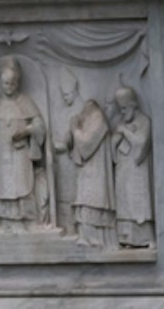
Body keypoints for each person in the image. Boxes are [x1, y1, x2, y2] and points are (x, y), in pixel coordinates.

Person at [0, 58, 46, 225]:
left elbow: (39, 125)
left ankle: (24, 223)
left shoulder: (26, 102)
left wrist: (26, 131)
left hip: (20, 153)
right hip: (1, 154)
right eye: (6, 83)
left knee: (21, 186)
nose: (9, 87)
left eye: (12, 83)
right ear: (0, 82)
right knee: (2, 187)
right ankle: (5, 224)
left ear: (18, 82)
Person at [64, 91, 115, 241]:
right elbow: (76, 145)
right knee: (85, 205)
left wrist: (75, 129)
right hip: (87, 173)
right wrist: (70, 135)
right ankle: (86, 238)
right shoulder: (88, 119)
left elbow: (86, 147)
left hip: (96, 173)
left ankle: (95, 240)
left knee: (92, 205)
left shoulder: (98, 119)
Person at [109, 84, 154, 244]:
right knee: (124, 204)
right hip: (123, 169)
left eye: (124, 109)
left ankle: (147, 239)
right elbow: (112, 147)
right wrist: (115, 141)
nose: (122, 112)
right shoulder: (121, 122)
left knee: (138, 204)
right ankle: (128, 240)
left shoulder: (144, 121)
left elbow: (142, 142)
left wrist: (126, 132)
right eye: (120, 109)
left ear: (133, 106)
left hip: (137, 171)